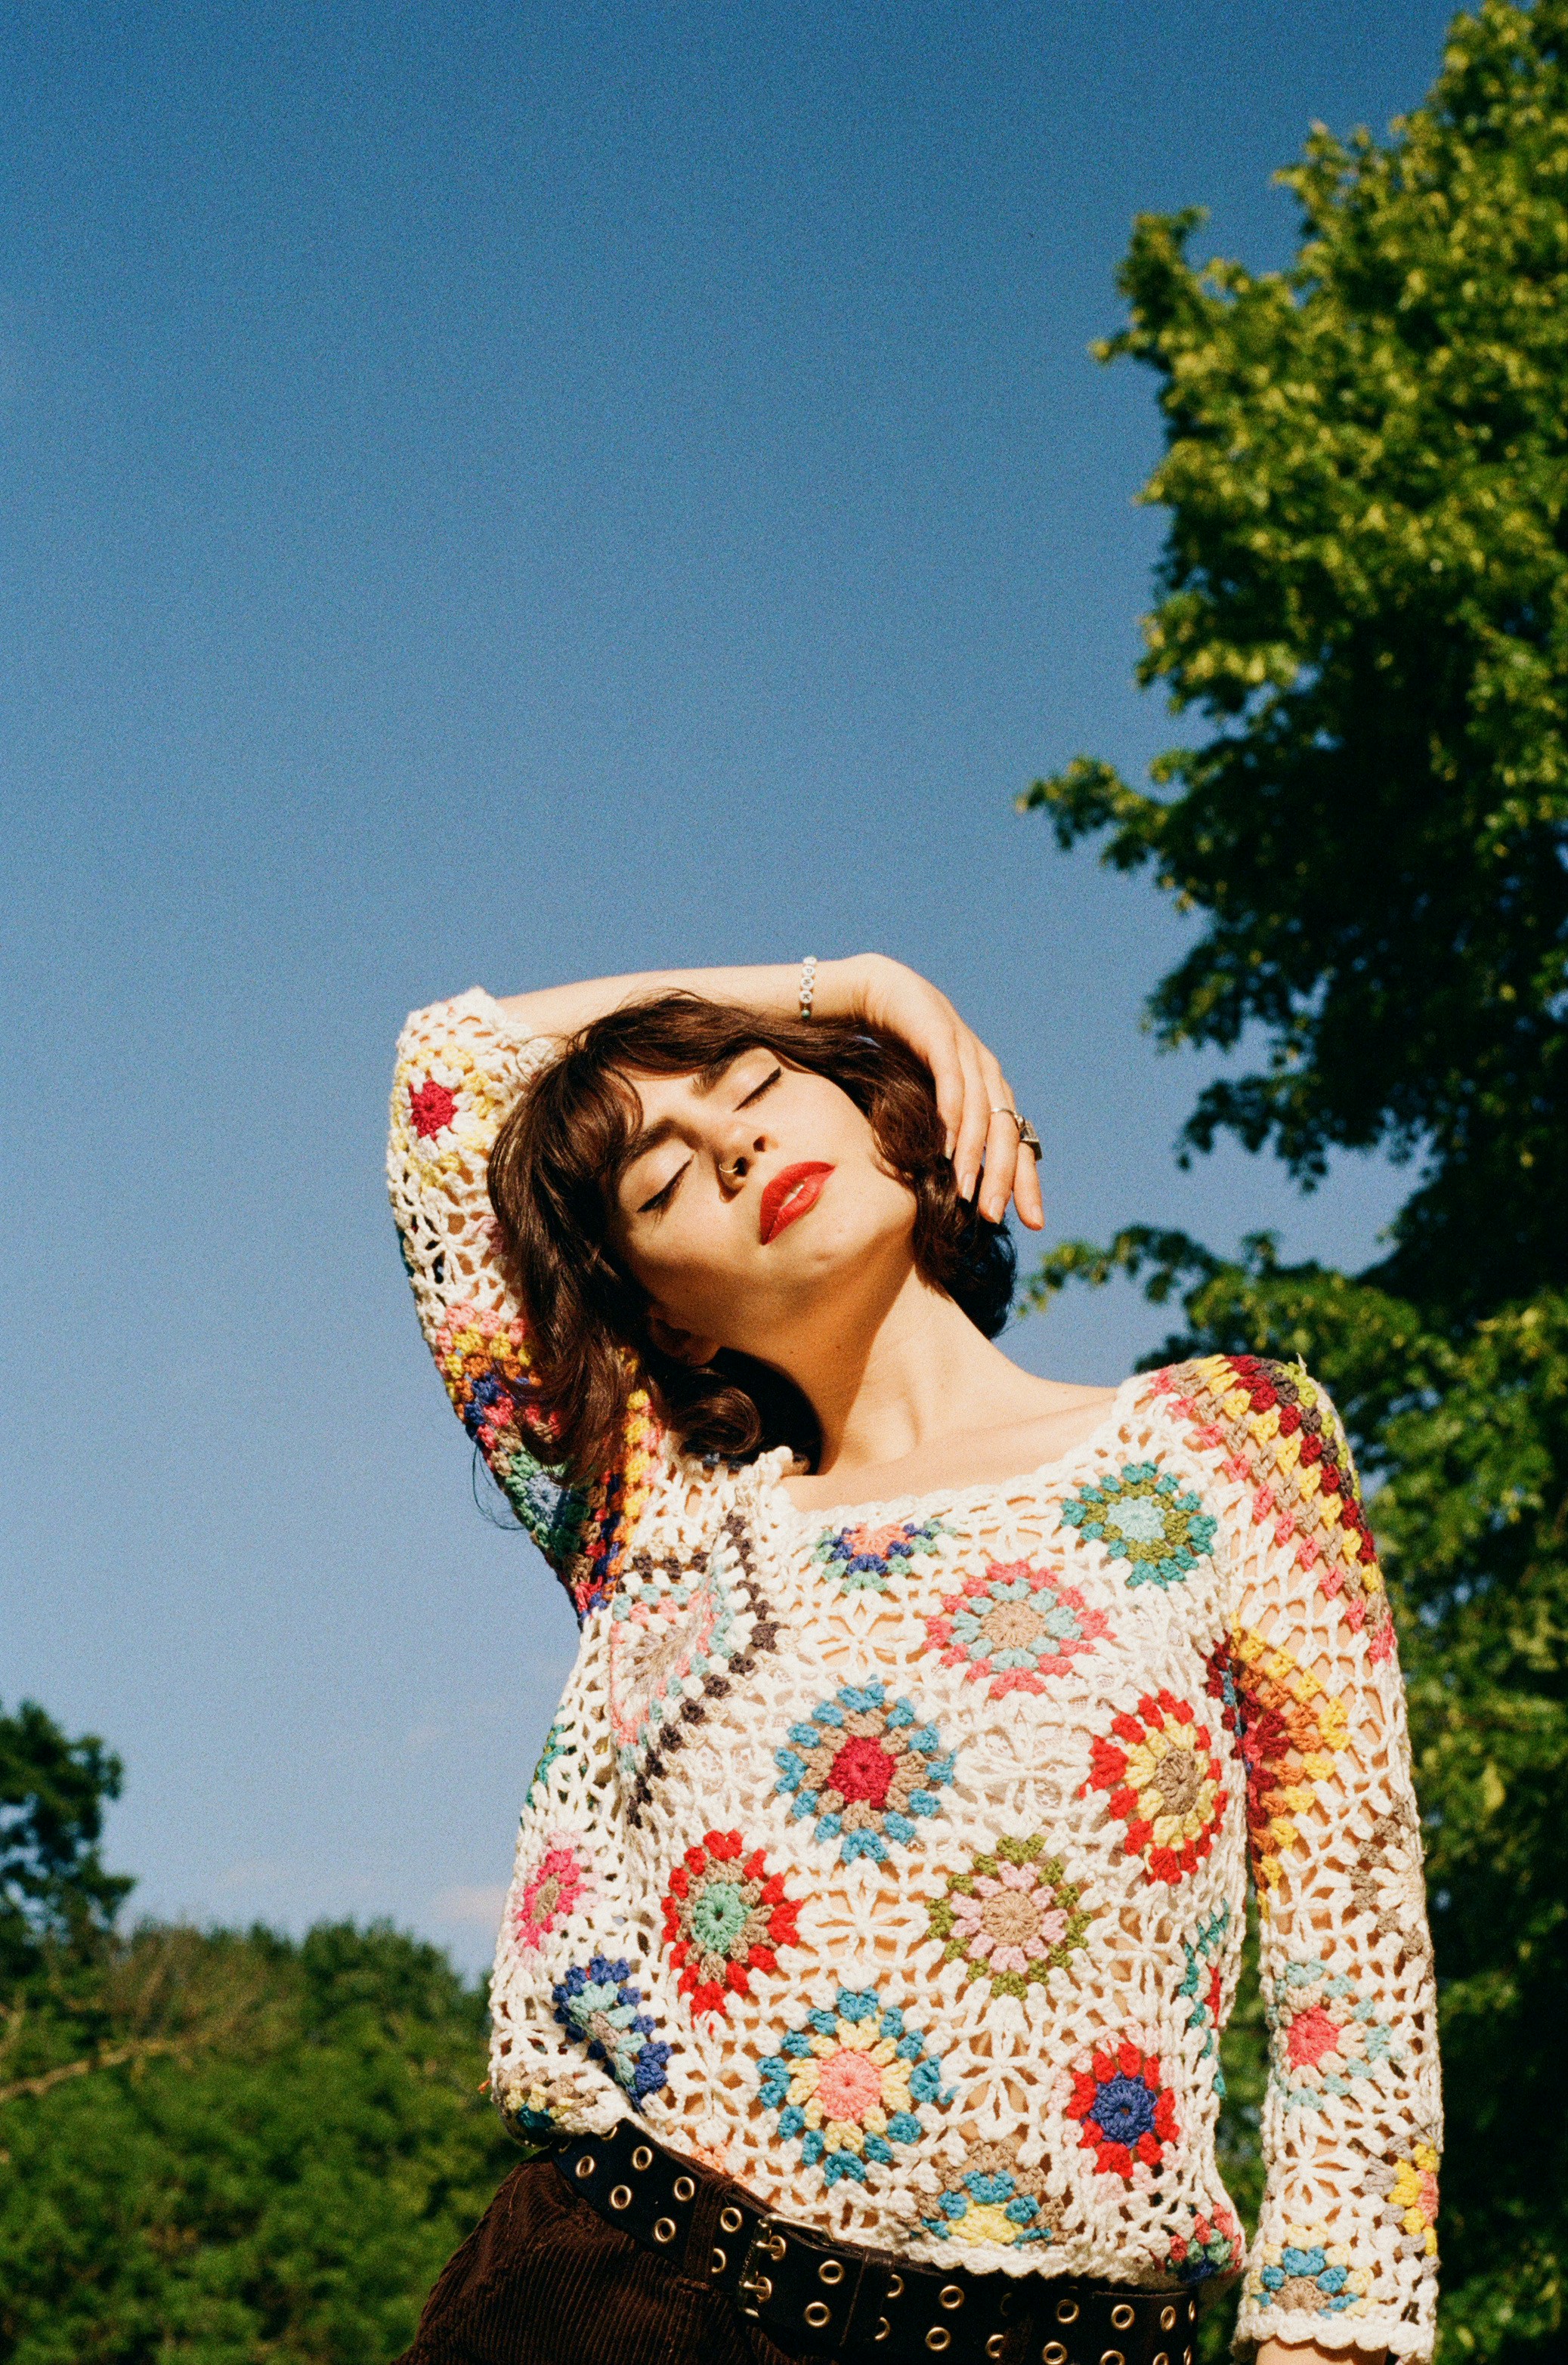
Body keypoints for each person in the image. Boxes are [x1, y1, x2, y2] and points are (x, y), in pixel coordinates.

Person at [387, 955, 1440, 2365]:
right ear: (671, 1315)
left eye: (757, 1085)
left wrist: (1336, 2340)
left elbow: (1355, 1954)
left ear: (884, 1119)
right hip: (626, 2300)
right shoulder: (656, 1510)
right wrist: (859, 981)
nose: (735, 1141)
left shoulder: (1230, 1450)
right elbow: (444, 1080)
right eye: (664, 1184)